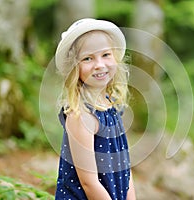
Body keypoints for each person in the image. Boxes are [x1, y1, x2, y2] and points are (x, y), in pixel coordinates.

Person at [54, 18, 136, 200]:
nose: (99, 64)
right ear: (74, 68)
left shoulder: (111, 104)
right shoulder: (81, 116)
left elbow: (124, 166)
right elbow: (88, 183)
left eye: (105, 55)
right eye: (88, 58)